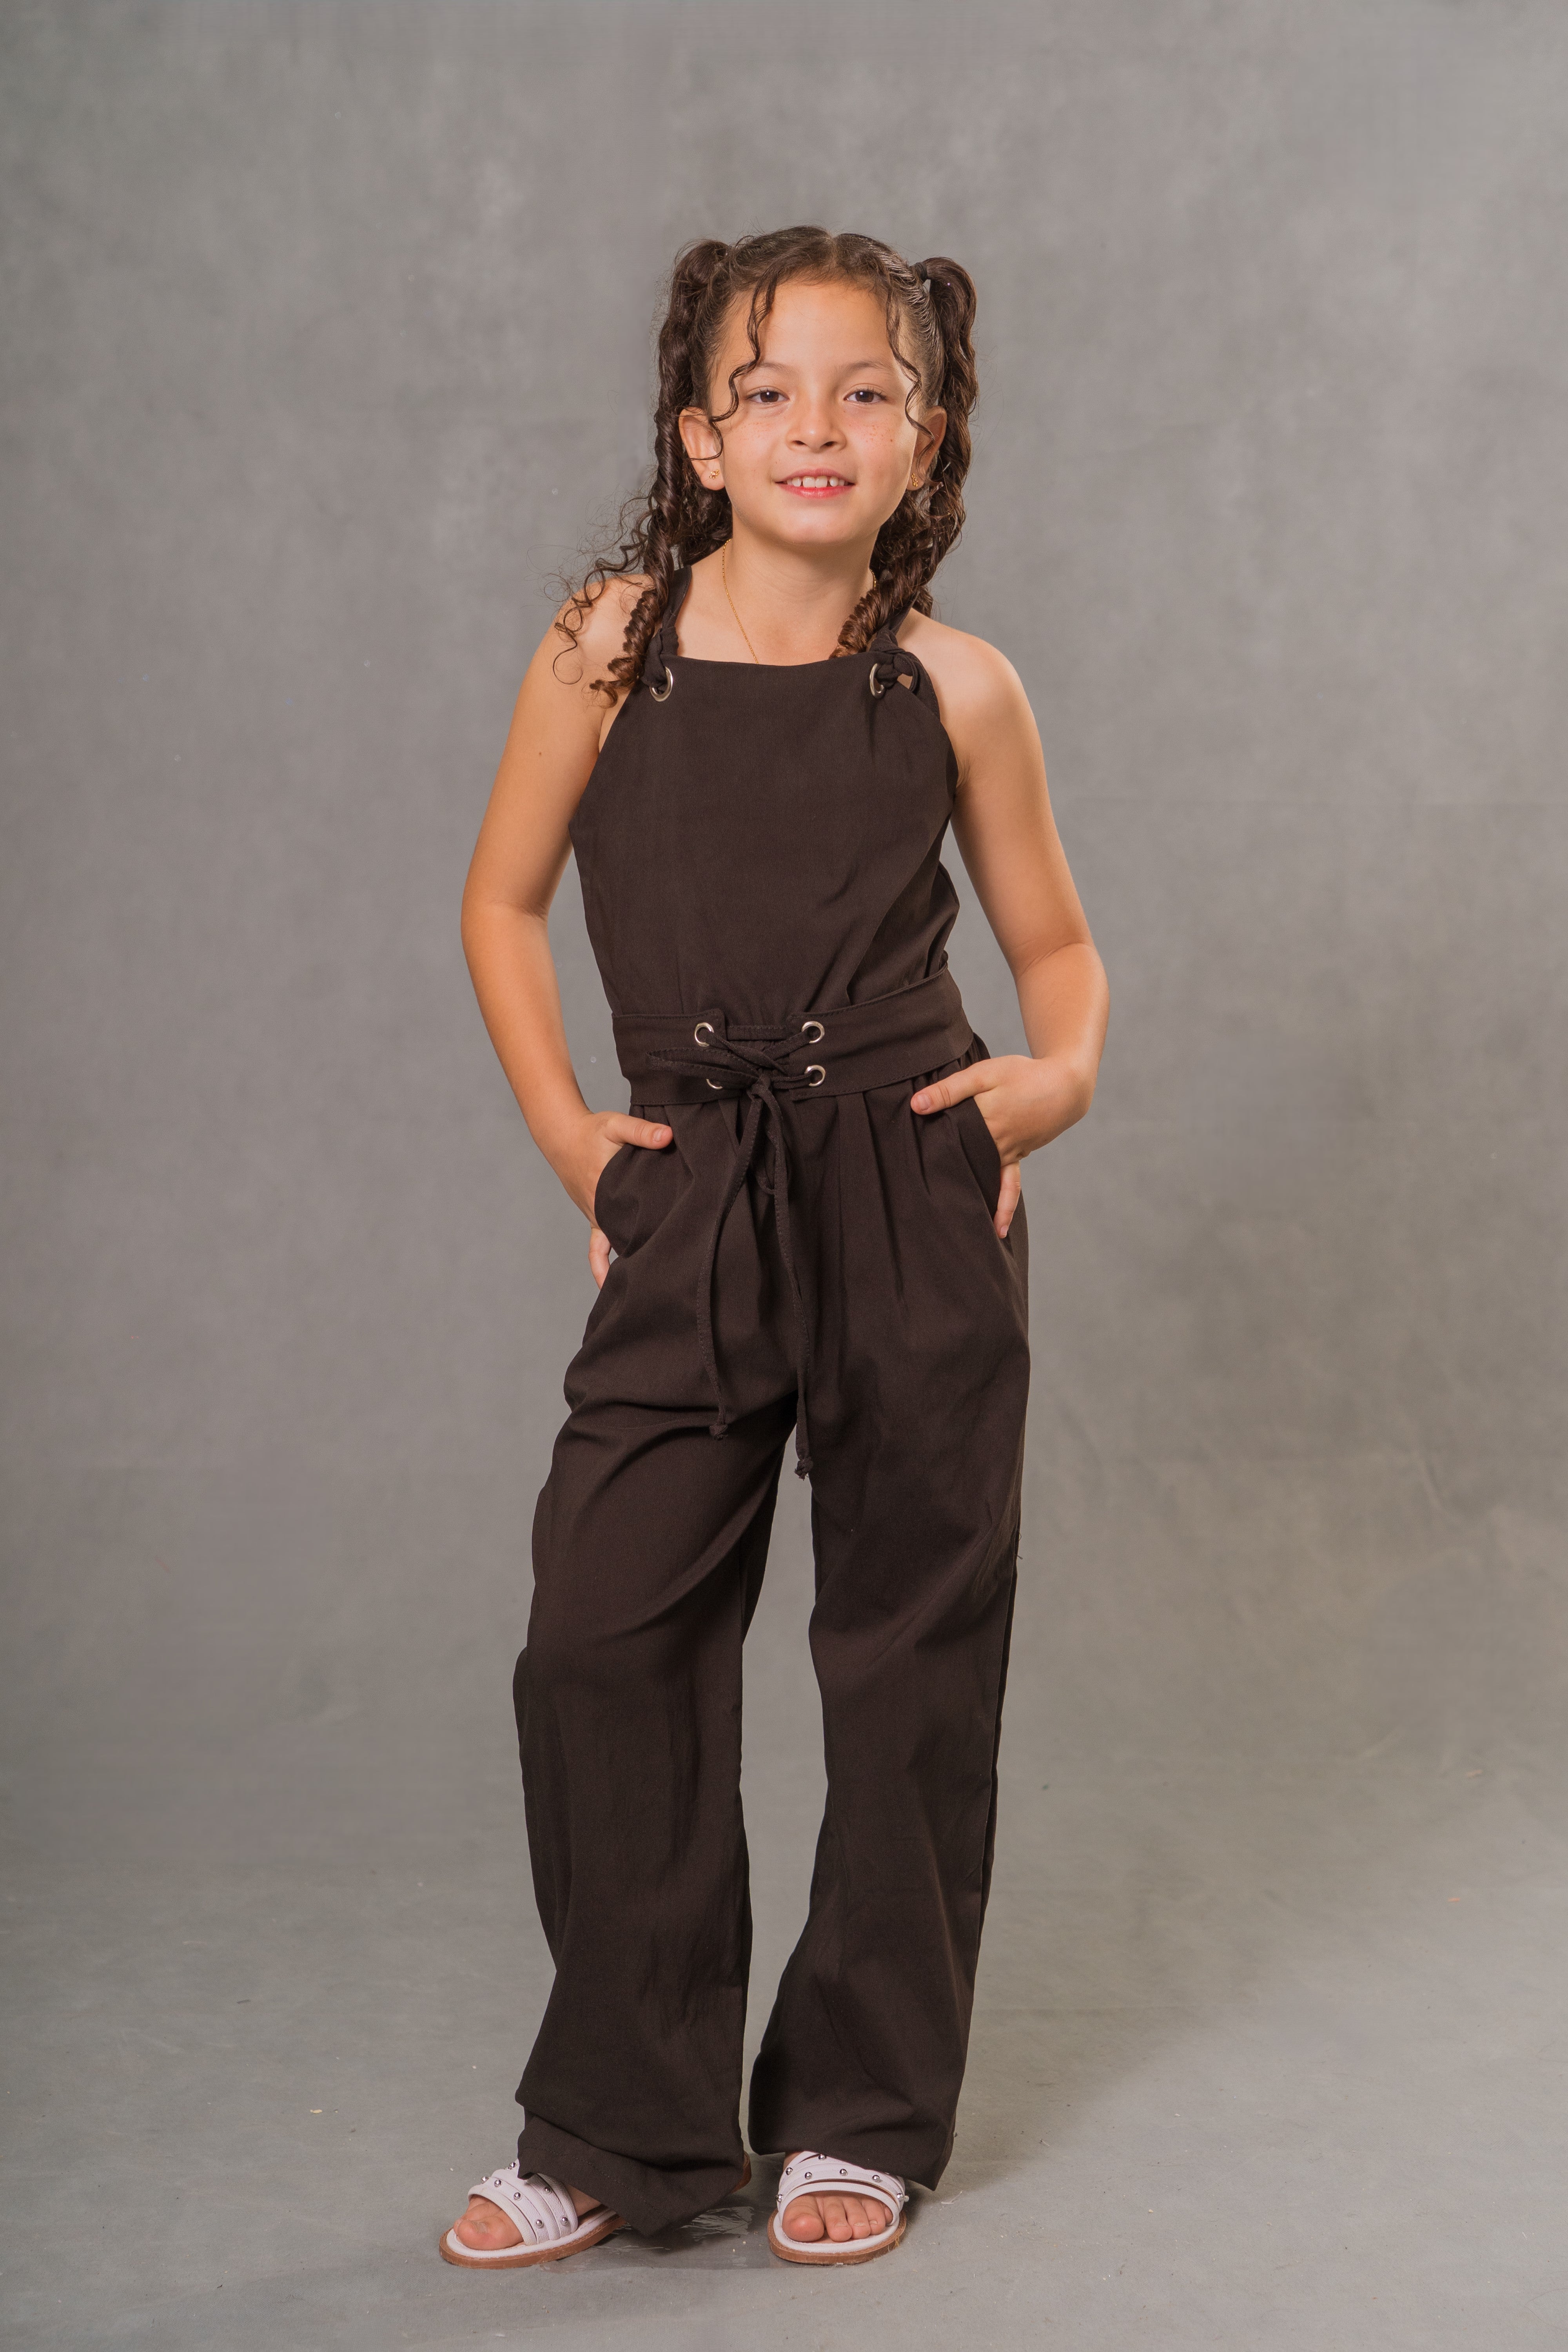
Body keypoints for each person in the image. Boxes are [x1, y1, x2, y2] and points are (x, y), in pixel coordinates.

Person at [442, 226, 1108, 2270]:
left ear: (925, 436)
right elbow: (499, 901)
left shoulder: (960, 687)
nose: (817, 424)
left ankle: (860, 2114)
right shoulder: (608, 646)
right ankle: (620, 2123)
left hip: (908, 1187)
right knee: (602, 1631)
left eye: (865, 391)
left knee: (909, 1655)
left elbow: (1058, 953)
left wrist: (1053, 1083)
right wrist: (576, 1142)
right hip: (694, 1187)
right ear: (699, 438)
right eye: (768, 390)